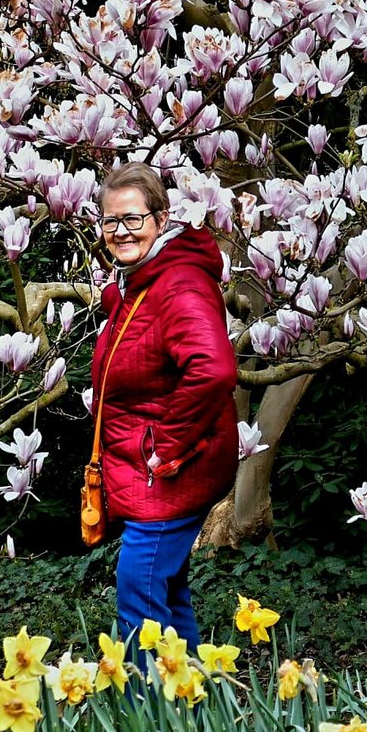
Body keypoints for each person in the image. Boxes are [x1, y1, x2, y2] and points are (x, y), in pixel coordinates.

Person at [89, 162, 238, 659]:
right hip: (147, 466)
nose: (120, 231)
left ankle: (145, 722)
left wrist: (167, 446)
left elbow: (213, 370)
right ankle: (193, 713)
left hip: (169, 471)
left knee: (140, 585)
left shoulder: (179, 284)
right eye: (110, 221)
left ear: (161, 218)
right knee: (168, 595)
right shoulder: (138, 285)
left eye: (133, 219)